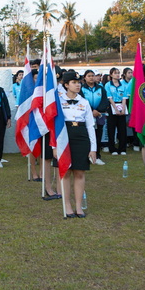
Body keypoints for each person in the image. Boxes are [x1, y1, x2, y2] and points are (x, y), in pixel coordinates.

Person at [58, 71, 96, 218]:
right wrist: (55, 146)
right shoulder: (59, 101)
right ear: (66, 85)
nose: (77, 85)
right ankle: (67, 205)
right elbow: (55, 126)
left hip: (81, 137)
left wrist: (93, 148)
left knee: (79, 172)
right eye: (74, 82)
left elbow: (90, 126)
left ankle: (79, 206)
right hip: (64, 137)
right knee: (66, 172)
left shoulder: (84, 102)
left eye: (79, 82)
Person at [79, 70, 109, 166]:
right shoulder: (81, 89)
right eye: (89, 76)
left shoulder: (101, 88)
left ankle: (97, 156)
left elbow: (105, 101)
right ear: (85, 77)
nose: (91, 77)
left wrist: (97, 111)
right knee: (87, 136)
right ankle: (86, 155)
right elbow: (81, 100)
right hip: (85, 115)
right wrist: (91, 110)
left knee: (98, 135)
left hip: (99, 115)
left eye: (93, 75)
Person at [104, 67, 130, 156]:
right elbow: (109, 97)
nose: (117, 75)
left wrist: (122, 108)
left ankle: (122, 148)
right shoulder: (108, 85)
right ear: (111, 75)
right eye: (115, 73)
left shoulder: (122, 85)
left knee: (122, 128)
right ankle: (112, 148)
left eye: (118, 73)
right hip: (112, 106)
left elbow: (124, 98)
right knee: (111, 128)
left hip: (121, 105)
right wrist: (115, 109)